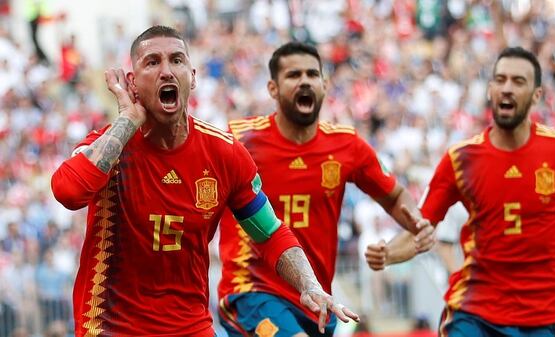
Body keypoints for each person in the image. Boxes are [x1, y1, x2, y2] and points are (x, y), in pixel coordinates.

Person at [51, 26, 357, 337]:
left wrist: (309, 284)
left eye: (177, 61)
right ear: (132, 83)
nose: (167, 71)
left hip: (190, 325)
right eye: (152, 62)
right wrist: (128, 119)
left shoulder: (224, 153)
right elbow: (68, 192)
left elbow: (270, 232)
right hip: (111, 328)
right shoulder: (108, 146)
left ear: (193, 77)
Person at [365, 46, 555, 337]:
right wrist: (387, 254)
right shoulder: (461, 158)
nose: (507, 88)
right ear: (490, 90)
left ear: (537, 95)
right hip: (474, 313)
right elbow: (420, 228)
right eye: (500, 80)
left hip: (540, 316)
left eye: (518, 81)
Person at [217, 41, 435, 337]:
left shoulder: (346, 145)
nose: (305, 80)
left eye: (312, 74)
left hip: (318, 301)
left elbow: (398, 198)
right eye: (294, 75)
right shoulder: (240, 140)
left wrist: (405, 239)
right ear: (273, 88)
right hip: (252, 291)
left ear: (324, 84)